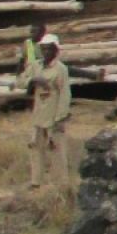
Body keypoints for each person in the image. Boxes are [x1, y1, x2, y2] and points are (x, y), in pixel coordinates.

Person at [18, 32, 73, 189]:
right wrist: (32, 80)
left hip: (53, 113)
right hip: (39, 113)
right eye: (44, 49)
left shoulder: (61, 69)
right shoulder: (35, 66)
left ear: (56, 51)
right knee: (35, 147)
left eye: (49, 49)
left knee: (57, 148)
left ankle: (62, 183)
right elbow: (19, 81)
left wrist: (60, 117)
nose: (46, 53)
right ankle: (36, 181)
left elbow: (64, 93)